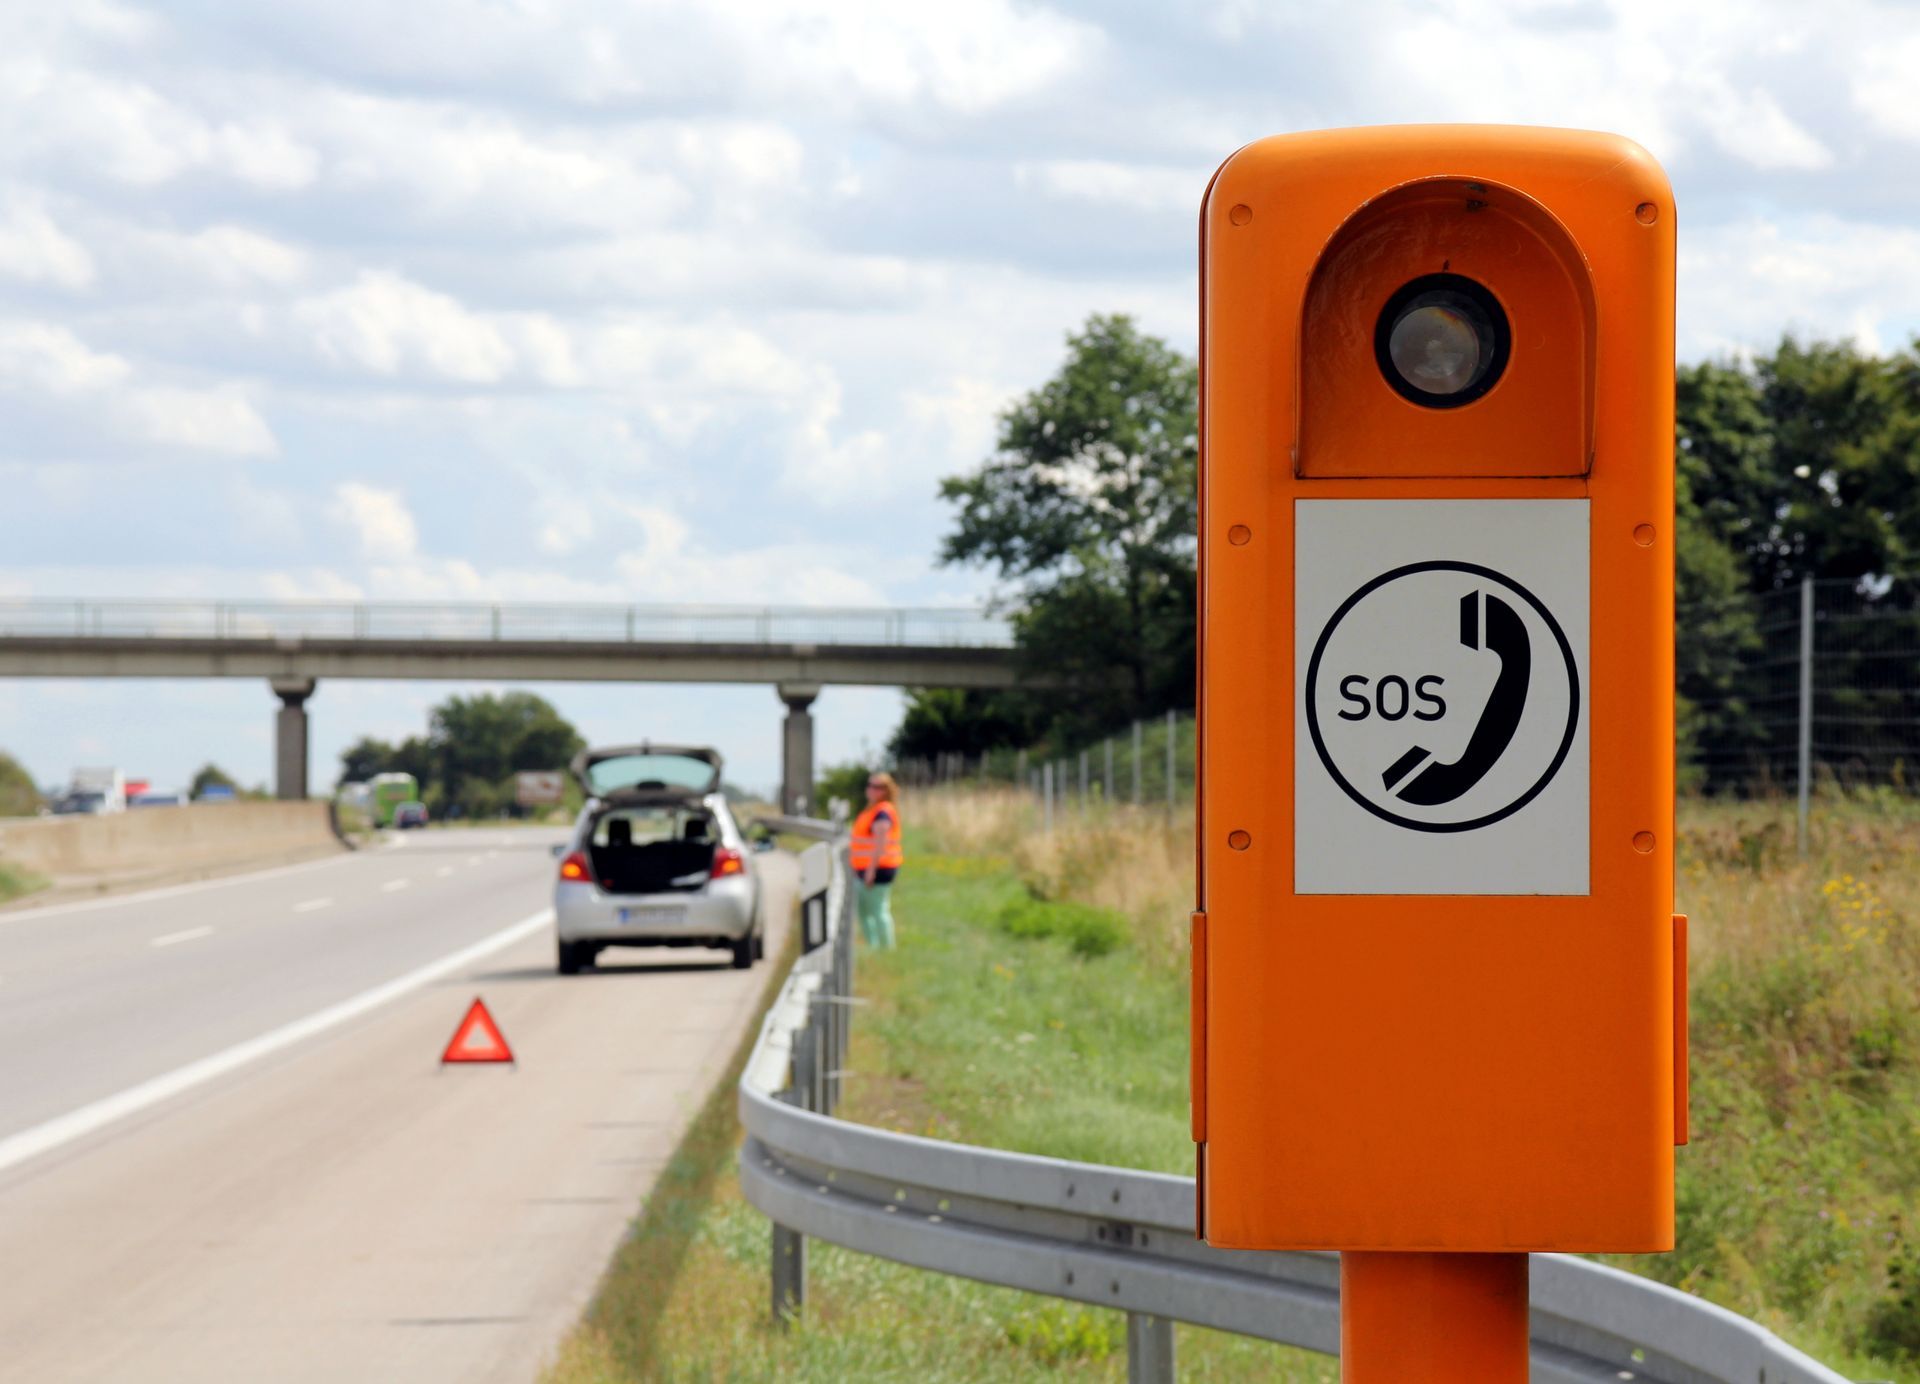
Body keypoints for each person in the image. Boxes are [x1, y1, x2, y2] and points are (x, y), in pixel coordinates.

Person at [850, 771, 903, 948]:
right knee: (864, 911)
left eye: (878, 787)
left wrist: (870, 872)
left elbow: (880, 844)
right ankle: (873, 947)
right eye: (870, 785)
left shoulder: (883, 813)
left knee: (879, 911)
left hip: (877, 869)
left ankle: (887, 948)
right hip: (865, 869)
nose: (872, 790)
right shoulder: (871, 810)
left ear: (886, 790)